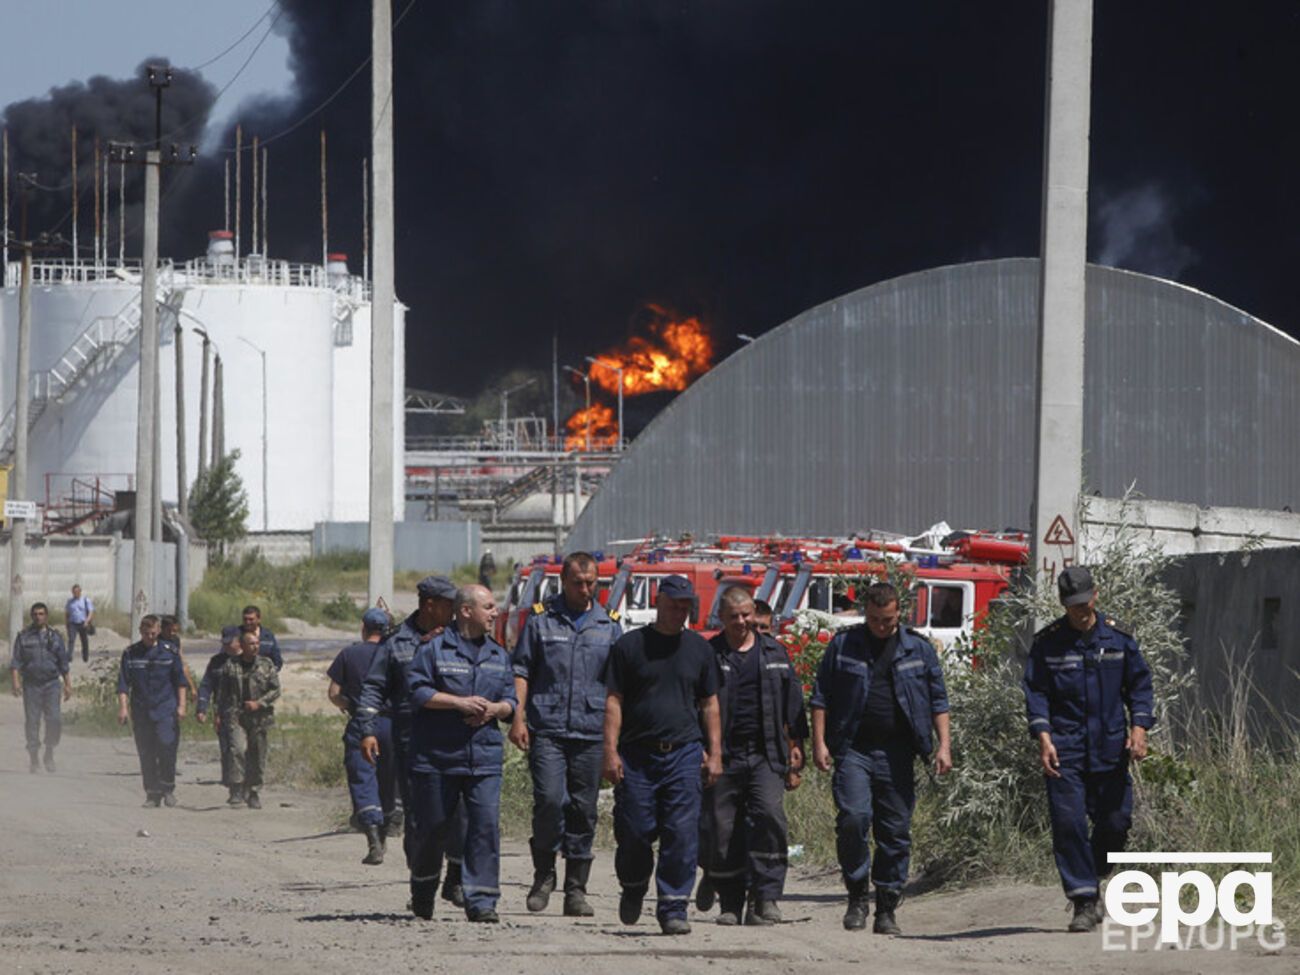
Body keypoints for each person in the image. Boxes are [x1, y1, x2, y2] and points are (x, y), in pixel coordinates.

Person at [810, 581, 952, 934]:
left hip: (898, 753)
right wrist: (819, 743)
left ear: (898, 614)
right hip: (854, 749)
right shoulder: (844, 645)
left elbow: (938, 700)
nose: (881, 627)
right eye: (874, 619)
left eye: (887, 620)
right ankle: (857, 895)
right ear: (865, 613)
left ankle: (886, 907)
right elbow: (820, 696)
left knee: (895, 831)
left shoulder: (917, 649)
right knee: (854, 820)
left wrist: (944, 745)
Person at [1023, 566, 1155, 933]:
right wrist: (1044, 737)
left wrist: (1139, 728)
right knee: (1068, 824)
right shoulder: (1048, 644)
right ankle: (1083, 900)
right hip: (1064, 748)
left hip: (1111, 748)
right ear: (1063, 604)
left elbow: (1140, 687)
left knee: (1116, 821)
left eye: (1084, 602)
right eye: (1072, 605)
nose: (1080, 611)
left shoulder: (1119, 639)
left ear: (1095, 595)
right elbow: (1036, 693)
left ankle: (1093, 873)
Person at [603, 574, 722, 936]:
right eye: (673, 606)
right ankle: (635, 884)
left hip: (684, 753)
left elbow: (710, 704)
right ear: (658, 602)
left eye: (686, 607)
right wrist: (609, 751)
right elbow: (613, 701)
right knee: (636, 831)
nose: (680, 613)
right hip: (637, 755)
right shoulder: (629, 647)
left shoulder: (700, 649)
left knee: (681, 833)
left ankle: (673, 907)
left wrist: (715, 752)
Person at [510, 551, 623, 916]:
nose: (586, 589)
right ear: (564, 581)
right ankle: (544, 876)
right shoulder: (542, 621)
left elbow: (617, 687)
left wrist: (615, 740)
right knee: (548, 800)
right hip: (548, 728)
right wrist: (517, 717)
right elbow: (522, 670)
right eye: (579, 583)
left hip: (591, 731)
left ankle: (576, 888)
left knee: (583, 809)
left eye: (592, 583)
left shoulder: (609, 624)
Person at [406, 585, 515, 923]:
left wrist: (495, 709)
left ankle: (482, 901)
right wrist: (457, 703)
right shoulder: (434, 649)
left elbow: (512, 702)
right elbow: (417, 690)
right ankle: (423, 890)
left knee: (484, 827)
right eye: (489, 606)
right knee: (433, 829)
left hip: (483, 758)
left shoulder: (498, 654)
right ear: (466, 611)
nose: (495, 612)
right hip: (438, 757)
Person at [356, 575, 468, 902]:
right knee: (420, 818)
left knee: (462, 812)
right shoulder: (395, 644)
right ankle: (423, 882)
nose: (456, 610)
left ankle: (456, 878)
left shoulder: (461, 638)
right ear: (430, 605)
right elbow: (373, 688)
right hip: (413, 741)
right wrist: (366, 730)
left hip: (457, 739)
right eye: (449, 604)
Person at [705, 586, 807, 926]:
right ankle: (731, 902)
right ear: (721, 618)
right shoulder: (710, 654)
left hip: (767, 754)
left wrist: (797, 749)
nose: (742, 621)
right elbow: (696, 706)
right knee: (722, 830)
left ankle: (766, 898)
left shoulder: (775, 652)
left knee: (769, 817)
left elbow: (794, 706)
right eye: (734, 616)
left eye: (747, 614)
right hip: (725, 756)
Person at [328, 607, 397, 865]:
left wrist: (349, 704)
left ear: (363, 628)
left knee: (362, 778)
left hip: (361, 723)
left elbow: (334, 693)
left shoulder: (349, 654)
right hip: (392, 724)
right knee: (388, 781)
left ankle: (372, 840)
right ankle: (386, 831)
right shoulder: (395, 653)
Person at [117, 615, 188, 807]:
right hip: (142, 711)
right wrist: (123, 708)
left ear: (158, 631)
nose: (151, 637)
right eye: (147, 633)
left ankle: (168, 788)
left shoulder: (169, 652)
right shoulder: (131, 654)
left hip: (166, 709)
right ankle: (152, 793)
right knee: (147, 752)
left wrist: (182, 706)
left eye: (154, 633)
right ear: (140, 632)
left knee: (166, 747)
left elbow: (181, 682)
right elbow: (123, 684)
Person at [213, 630, 281, 808]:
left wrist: (259, 703)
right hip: (236, 716)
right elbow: (222, 693)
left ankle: (253, 791)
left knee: (257, 755)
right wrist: (218, 714)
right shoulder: (231, 665)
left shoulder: (266, 664)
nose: (255, 646)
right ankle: (236, 789)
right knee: (238, 749)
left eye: (257, 643)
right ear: (242, 646)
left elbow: (275, 690)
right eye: (251, 643)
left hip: (260, 718)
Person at [9, 603, 72, 773]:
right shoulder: (23, 637)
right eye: (35, 614)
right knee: (32, 721)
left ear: (47, 616)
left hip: (52, 684)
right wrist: (15, 682)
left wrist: (68, 685)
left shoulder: (55, 637)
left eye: (42, 614)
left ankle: (49, 752)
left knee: (54, 720)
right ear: (32, 616)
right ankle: (34, 758)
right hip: (32, 685)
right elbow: (16, 662)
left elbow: (63, 663)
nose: (38, 617)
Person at [196, 625, 243, 800]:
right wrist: (202, 708)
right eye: (224, 643)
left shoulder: (248, 660)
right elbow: (206, 686)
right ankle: (234, 787)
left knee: (241, 749)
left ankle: (244, 786)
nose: (226, 646)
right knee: (228, 750)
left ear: (239, 641)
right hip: (223, 713)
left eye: (229, 642)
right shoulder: (217, 662)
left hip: (246, 714)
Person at [160, 615, 199, 702]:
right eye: (169, 630)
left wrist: (192, 687)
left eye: (174, 631)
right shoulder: (156, 641)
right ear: (162, 628)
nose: (172, 633)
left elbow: (182, 663)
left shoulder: (176, 640)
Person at [242, 605, 282, 671]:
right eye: (245, 619)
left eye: (251, 619)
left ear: (259, 619)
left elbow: (277, 660)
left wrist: (270, 674)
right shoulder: (237, 634)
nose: (247, 622)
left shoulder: (268, 636)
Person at [64, 584, 94, 665]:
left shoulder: (85, 600)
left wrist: (87, 621)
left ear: (80, 591)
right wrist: (66, 623)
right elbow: (67, 613)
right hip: (72, 623)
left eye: (77, 591)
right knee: (71, 640)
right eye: (74, 592)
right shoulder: (70, 602)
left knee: (84, 640)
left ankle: (85, 656)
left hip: (83, 623)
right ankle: (69, 656)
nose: (75, 593)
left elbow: (90, 612)